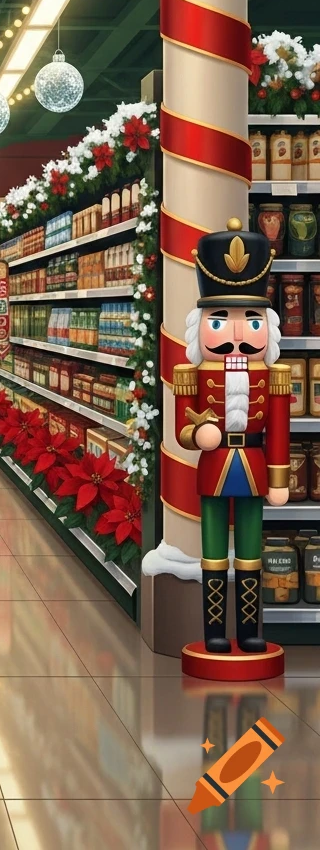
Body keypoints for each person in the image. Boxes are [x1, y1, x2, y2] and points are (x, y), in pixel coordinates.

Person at [173, 218, 290, 654]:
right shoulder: (192, 373)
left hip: (255, 467)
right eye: (221, 321)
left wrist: (279, 479)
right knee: (213, 552)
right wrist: (195, 433)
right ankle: (215, 632)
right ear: (200, 325)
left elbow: (279, 430)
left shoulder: (273, 376)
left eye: (251, 322)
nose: (238, 333)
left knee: (250, 551)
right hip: (215, 468)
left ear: (268, 326)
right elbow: (182, 428)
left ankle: (249, 630)